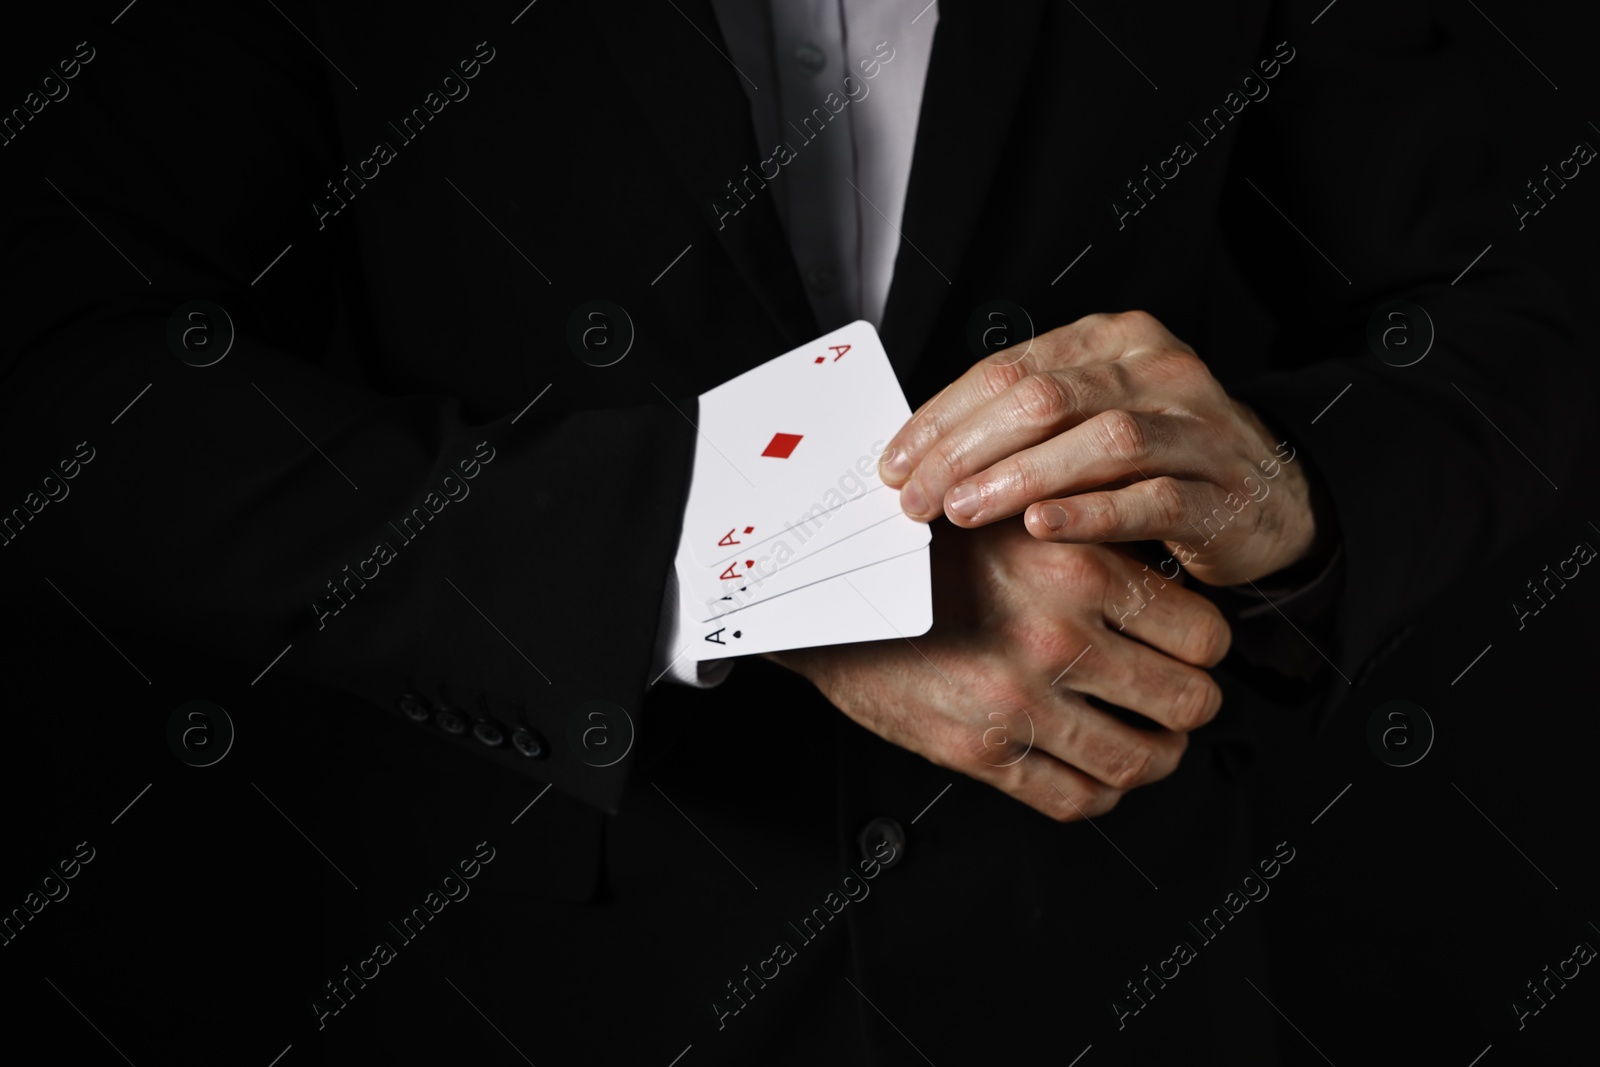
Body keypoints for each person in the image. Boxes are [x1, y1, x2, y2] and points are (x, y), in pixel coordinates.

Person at [0, 1, 1584, 1063]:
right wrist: (750, 558)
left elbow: (1534, 291)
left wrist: (1289, 490)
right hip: (496, 973)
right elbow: (67, 363)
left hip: (1119, 952)